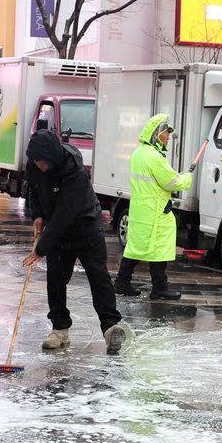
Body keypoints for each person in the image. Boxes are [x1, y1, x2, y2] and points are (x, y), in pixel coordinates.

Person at [22, 128, 132, 353]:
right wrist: (38, 216)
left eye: (41, 161)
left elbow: (64, 213)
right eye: (34, 161)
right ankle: (60, 329)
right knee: (55, 279)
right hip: (58, 232)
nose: (37, 165)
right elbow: (33, 189)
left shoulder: (75, 172)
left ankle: (111, 328)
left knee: (98, 277)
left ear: (52, 157)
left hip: (85, 229)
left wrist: (40, 249)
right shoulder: (34, 165)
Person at [116, 113, 193, 300]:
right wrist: (187, 178)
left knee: (136, 247)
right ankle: (159, 288)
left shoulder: (138, 153)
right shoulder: (155, 157)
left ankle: (121, 282)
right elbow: (172, 182)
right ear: (157, 134)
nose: (168, 137)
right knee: (158, 249)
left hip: (141, 209)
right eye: (166, 133)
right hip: (156, 211)